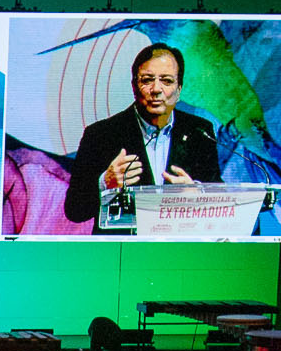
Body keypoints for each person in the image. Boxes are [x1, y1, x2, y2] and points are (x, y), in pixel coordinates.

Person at [63, 41, 223, 225]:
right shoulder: (101, 135)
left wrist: (199, 194)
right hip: (125, 249)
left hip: (181, 248)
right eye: (147, 80)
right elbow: (74, 210)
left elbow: (220, 195)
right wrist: (105, 184)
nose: (156, 89)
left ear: (179, 90)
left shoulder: (199, 132)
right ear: (133, 86)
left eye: (167, 81)